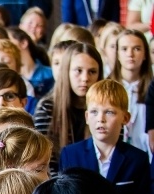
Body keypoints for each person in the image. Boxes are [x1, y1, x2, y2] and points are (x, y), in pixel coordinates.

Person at [60, 79, 151, 194]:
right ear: (87, 117)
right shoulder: (70, 154)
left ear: (125, 118)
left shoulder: (138, 159)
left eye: (109, 112)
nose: (100, 119)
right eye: (94, 112)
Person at [34, 42, 103, 173]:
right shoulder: (47, 108)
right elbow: (44, 162)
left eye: (92, 72)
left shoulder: (106, 109)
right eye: (78, 70)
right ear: (66, 71)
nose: (85, 78)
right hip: (59, 186)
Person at [110, 29, 152, 157]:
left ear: (145, 54)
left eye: (137, 49)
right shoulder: (107, 87)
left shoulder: (152, 89)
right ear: (117, 53)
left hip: (146, 153)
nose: (130, 54)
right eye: (124, 49)